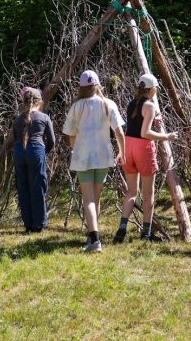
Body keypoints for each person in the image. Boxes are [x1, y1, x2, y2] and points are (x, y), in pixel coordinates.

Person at [62, 70, 126, 253]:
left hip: (83, 156)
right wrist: (122, 152)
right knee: (95, 198)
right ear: (98, 84)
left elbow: (71, 135)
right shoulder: (108, 104)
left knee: (88, 199)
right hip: (103, 156)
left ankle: (95, 240)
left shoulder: (77, 106)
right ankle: (92, 234)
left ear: (82, 87)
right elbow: (119, 132)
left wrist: (75, 149)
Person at [113, 74, 177, 243]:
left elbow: (137, 126)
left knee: (131, 192)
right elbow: (145, 133)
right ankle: (147, 233)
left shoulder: (131, 103)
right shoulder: (150, 105)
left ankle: (122, 229)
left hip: (128, 146)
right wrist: (166, 136)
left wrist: (153, 121)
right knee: (148, 194)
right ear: (152, 89)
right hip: (143, 147)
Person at [11, 87, 56, 233]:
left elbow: (14, 139)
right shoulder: (44, 118)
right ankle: (38, 224)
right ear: (39, 102)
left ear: (24, 103)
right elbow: (52, 141)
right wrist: (44, 153)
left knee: (23, 188)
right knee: (37, 188)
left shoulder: (17, 119)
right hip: (36, 151)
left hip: (19, 152)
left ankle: (28, 225)